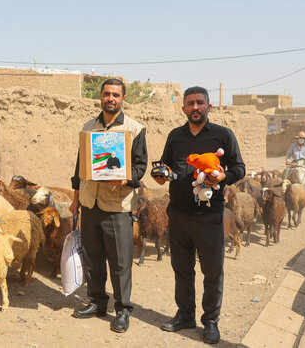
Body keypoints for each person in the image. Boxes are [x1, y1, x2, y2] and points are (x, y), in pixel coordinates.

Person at [153, 86, 245, 344]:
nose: (195, 107)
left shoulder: (223, 135)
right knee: (182, 268)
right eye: (190, 103)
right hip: (179, 214)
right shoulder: (174, 136)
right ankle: (185, 315)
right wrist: (161, 176)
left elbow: (239, 167)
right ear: (183, 108)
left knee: (213, 271)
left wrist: (225, 175)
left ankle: (211, 321)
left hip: (209, 215)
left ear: (209, 107)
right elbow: (166, 167)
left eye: (200, 102)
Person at [69, 78, 148, 333]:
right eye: (106, 94)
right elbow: (79, 166)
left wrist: (127, 178)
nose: (110, 98)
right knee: (93, 257)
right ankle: (96, 301)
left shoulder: (135, 129)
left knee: (120, 262)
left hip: (117, 204)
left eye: (115, 94)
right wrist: (75, 200)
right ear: (100, 97)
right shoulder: (88, 127)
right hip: (90, 202)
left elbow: (140, 166)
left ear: (123, 98)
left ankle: (123, 310)